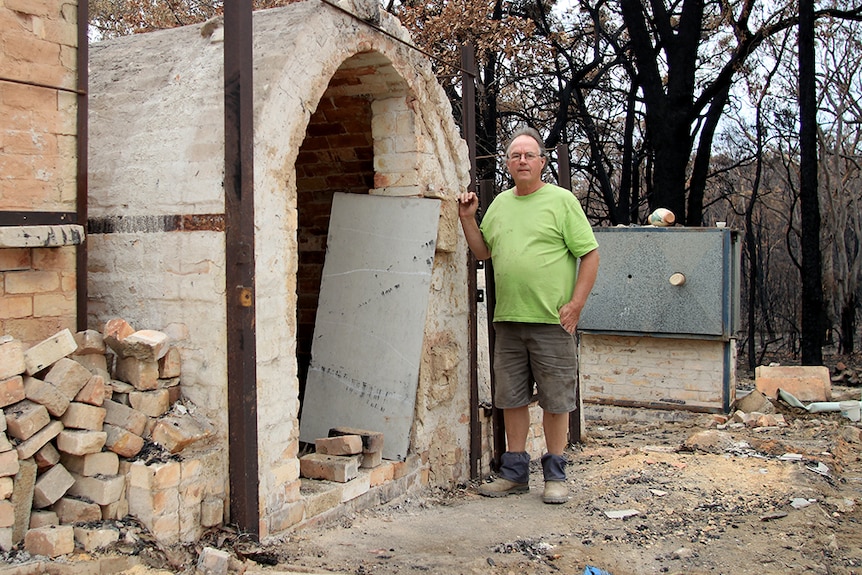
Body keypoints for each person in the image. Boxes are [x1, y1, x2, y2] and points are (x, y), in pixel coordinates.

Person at [458, 127, 599, 504]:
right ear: (507, 164)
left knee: (556, 401)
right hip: (508, 320)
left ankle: (555, 475)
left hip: (553, 321)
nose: (522, 160)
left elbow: (590, 254)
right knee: (512, 399)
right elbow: (483, 252)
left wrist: (576, 304)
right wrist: (468, 218)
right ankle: (516, 473)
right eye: (515, 155)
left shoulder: (561, 201)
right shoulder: (501, 204)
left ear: (542, 162)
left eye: (529, 155)